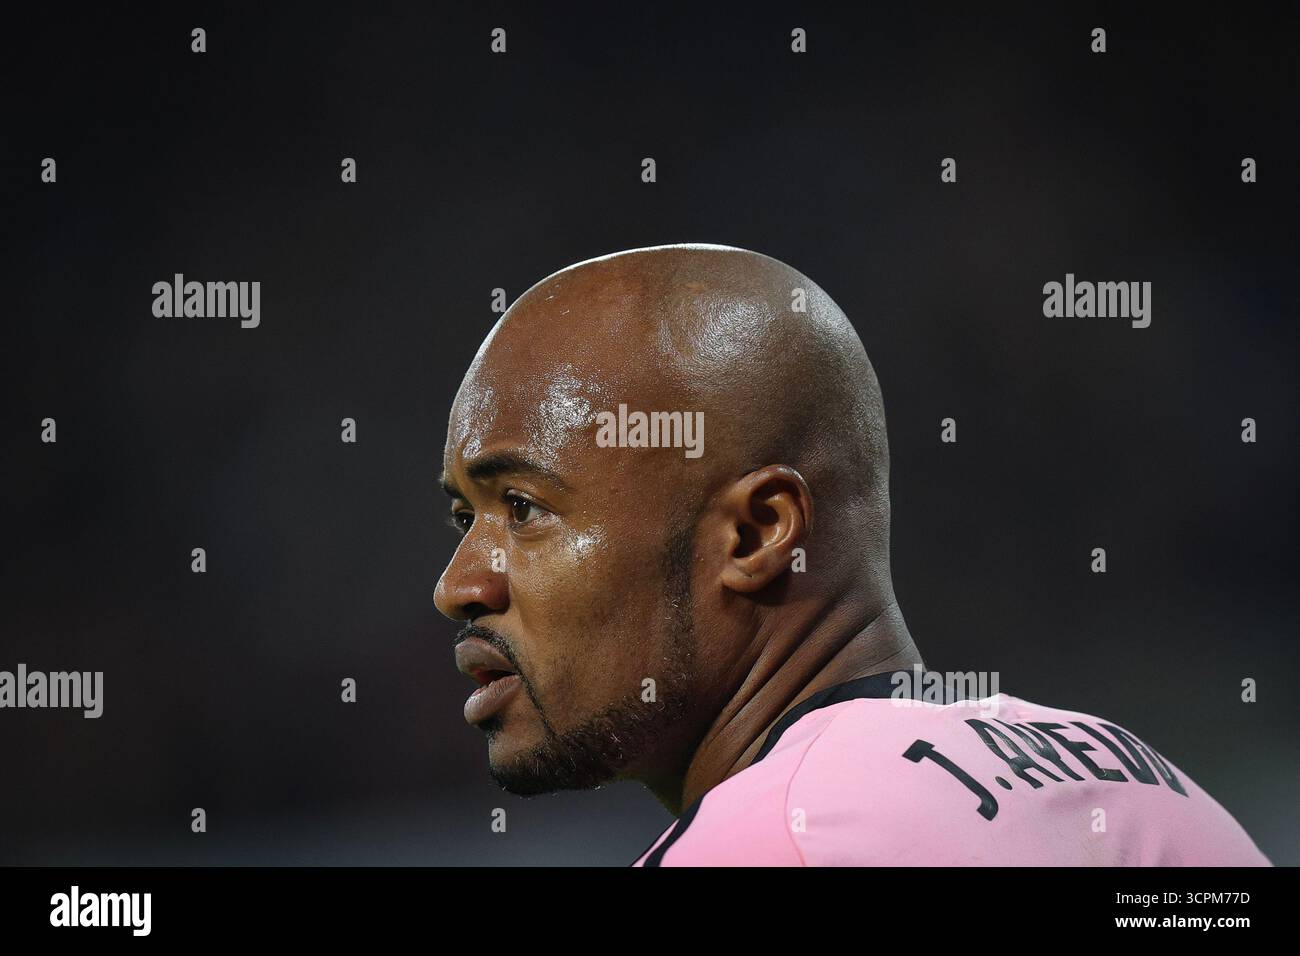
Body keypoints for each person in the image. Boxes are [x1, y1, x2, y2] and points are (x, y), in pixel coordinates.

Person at [434, 243, 1270, 866]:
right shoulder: (1142, 783)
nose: (459, 585)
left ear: (759, 533)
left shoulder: (774, 840)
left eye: (522, 508)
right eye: (461, 518)